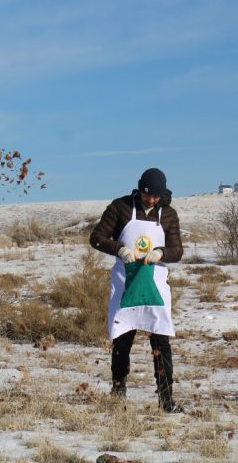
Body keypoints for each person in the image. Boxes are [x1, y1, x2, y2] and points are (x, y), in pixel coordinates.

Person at [89, 167, 183, 413]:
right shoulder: (120, 207)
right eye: (146, 194)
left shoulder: (169, 214)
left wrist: (162, 252)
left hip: (155, 286)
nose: (150, 199)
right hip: (125, 284)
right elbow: (96, 237)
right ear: (139, 188)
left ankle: (166, 400)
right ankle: (118, 394)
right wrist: (119, 248)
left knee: (161, 342)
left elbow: (178, 250)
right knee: (122, 340)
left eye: (155, 196)